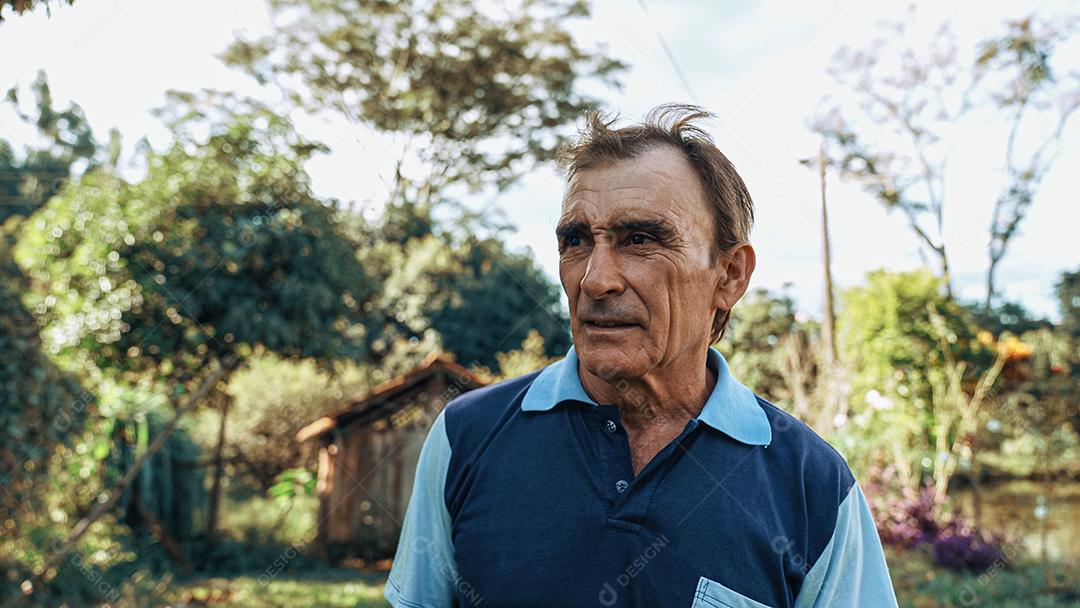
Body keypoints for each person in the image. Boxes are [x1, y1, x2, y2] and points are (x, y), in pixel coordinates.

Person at [383, 104, 898, 607]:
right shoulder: (466, 437)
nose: (596, 279)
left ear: (730, 275)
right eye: (577, 240)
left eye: (640, 239)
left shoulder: (813, 485)